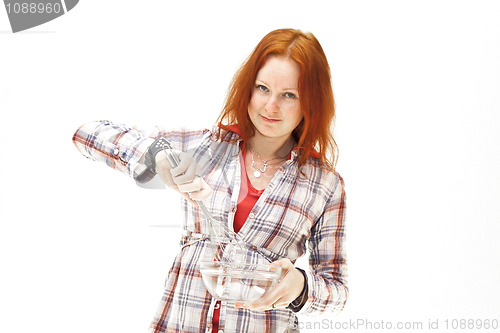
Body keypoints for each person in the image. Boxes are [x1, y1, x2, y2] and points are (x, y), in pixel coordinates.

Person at [72, 28, 348, 333]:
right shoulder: (206, 146)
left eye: (289, 95)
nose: (270, 106)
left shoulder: (325, 184)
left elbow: (337, 290)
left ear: (311, 102)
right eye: (262, 88)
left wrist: (302, 286)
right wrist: (156, 155)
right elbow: (87, 134)